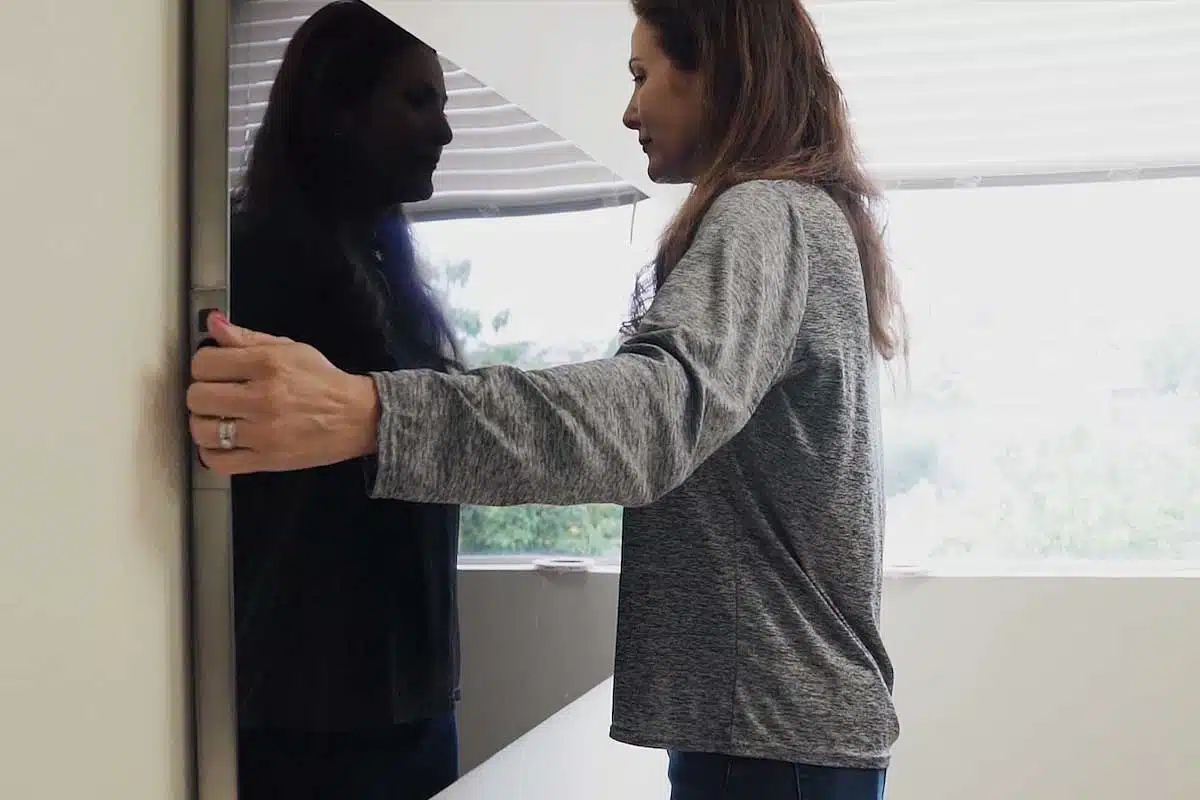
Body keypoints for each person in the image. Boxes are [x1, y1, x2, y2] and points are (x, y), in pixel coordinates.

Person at [190, 1, 907, 797]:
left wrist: (370, 414)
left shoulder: (766, 212)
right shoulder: (802, 215)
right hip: (780, 731)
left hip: (772, 735)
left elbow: (649, 419)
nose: (629, 109)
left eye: (643, 75)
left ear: (721, 68)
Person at [219, 2, 461, 798]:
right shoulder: (252, 263)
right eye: (417, 100)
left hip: (416, 700)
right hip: (308, 716)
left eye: (445, 103)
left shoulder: (393, 279)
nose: (445, 131)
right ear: (336, 110)